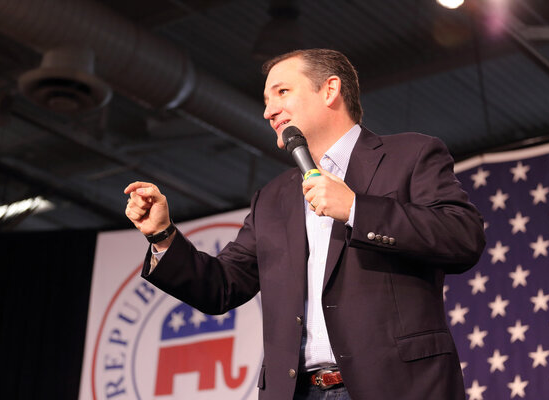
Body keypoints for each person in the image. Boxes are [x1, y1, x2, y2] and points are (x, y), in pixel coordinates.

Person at [124, 48, 486, 400]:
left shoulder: (410, 154)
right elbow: (222, 286)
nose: (268, 110)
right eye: (266, 99)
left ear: (330, 90)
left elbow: (462, 236)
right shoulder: (273, 197)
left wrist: (357, 209)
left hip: (397, 385)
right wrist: (162, 235)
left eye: (281, 92)